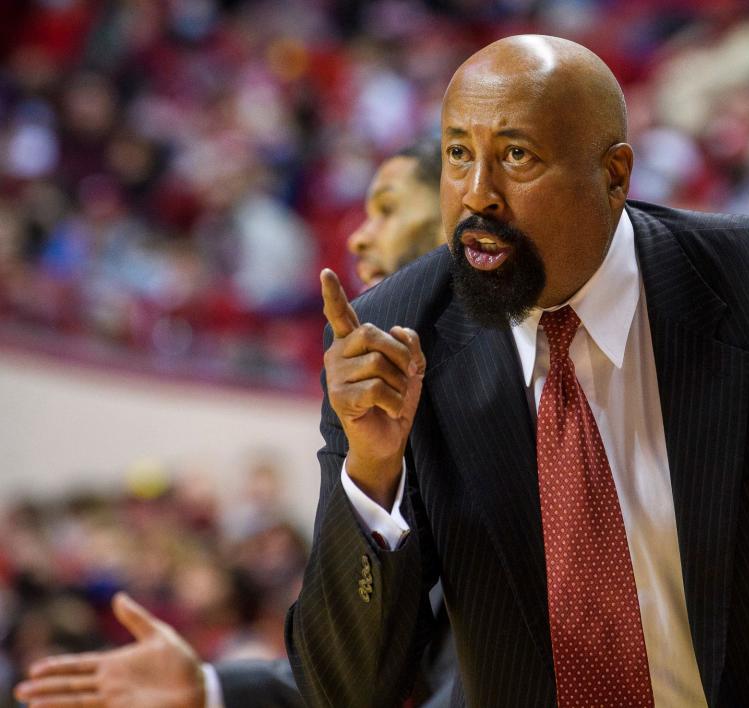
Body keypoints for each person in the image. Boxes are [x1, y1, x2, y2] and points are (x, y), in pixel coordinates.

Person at [287, 34, 749, 707]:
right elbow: (347, 690)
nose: (477, 194)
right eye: (459, 153)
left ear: (614, 175)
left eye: (517, 156)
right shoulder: (394, 337)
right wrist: (372, 473)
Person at [13, 140, 448, 708]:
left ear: (457, 221)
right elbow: (363, 678)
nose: (359, 236)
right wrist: (214, 688)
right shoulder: (374, 407)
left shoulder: (521, 397)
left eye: (387, 209)